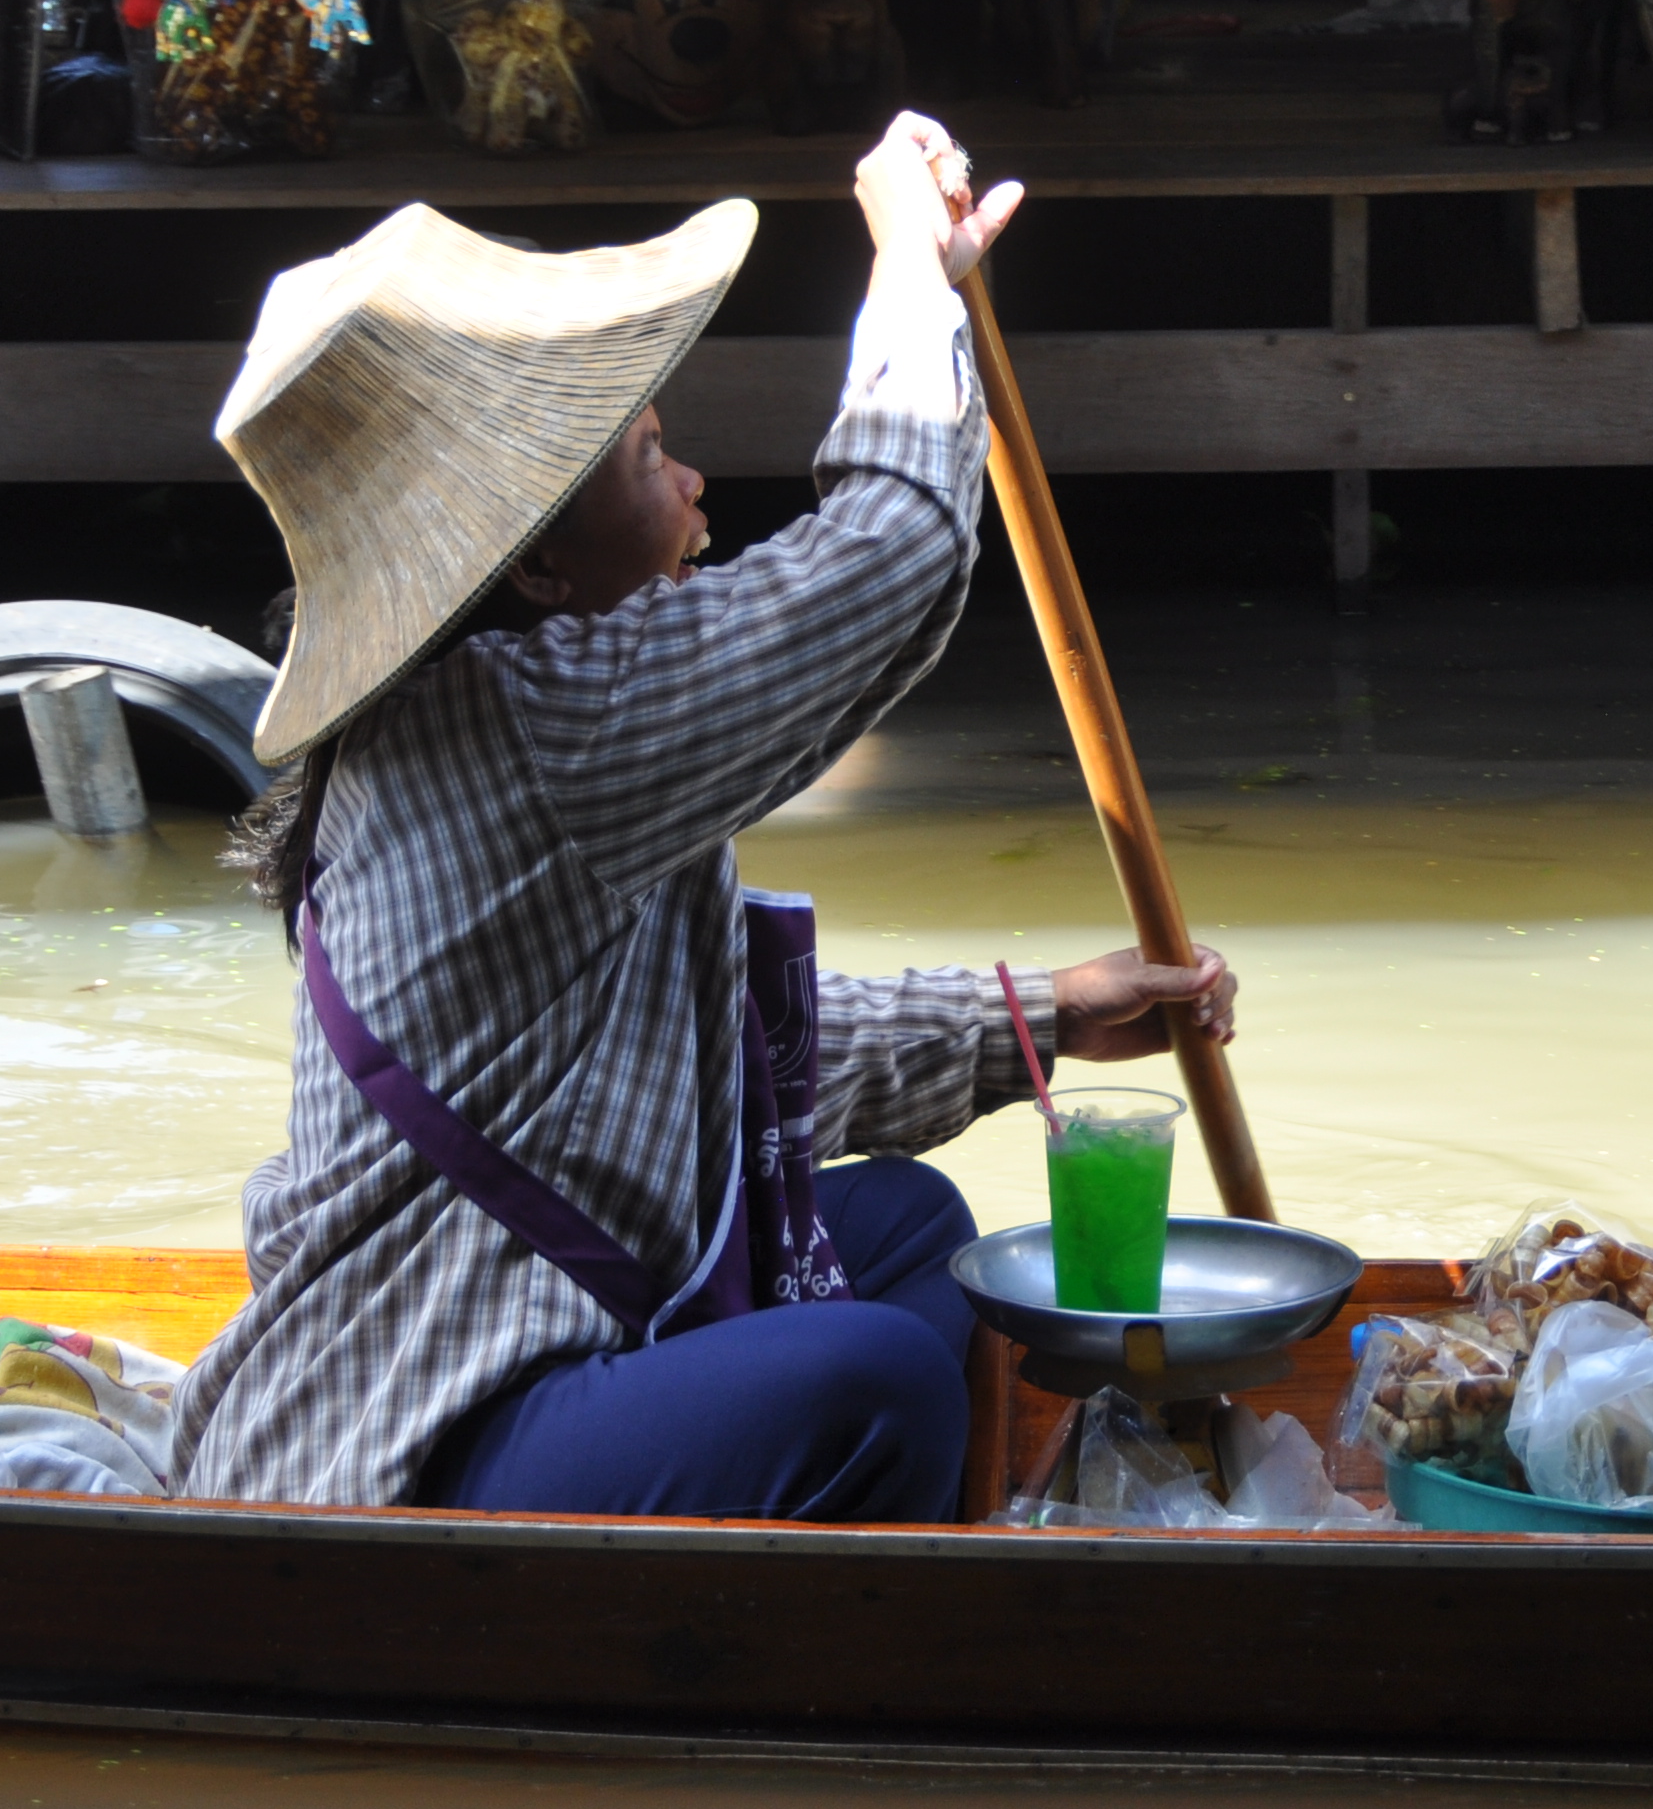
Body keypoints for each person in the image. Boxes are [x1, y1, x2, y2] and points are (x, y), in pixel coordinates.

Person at [173, 114, 1238, 1522]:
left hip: (585, 1325)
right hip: (424, 1442)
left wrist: (1035, 1021)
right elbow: (893, 558)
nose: (690, 492)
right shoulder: (522, 727)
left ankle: (868, 1562)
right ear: (541, 567)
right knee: (874, 1378)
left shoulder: (511, 723)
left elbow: (709, 1068)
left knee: (913, 1234)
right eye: (646, 460)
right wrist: (909, 272)